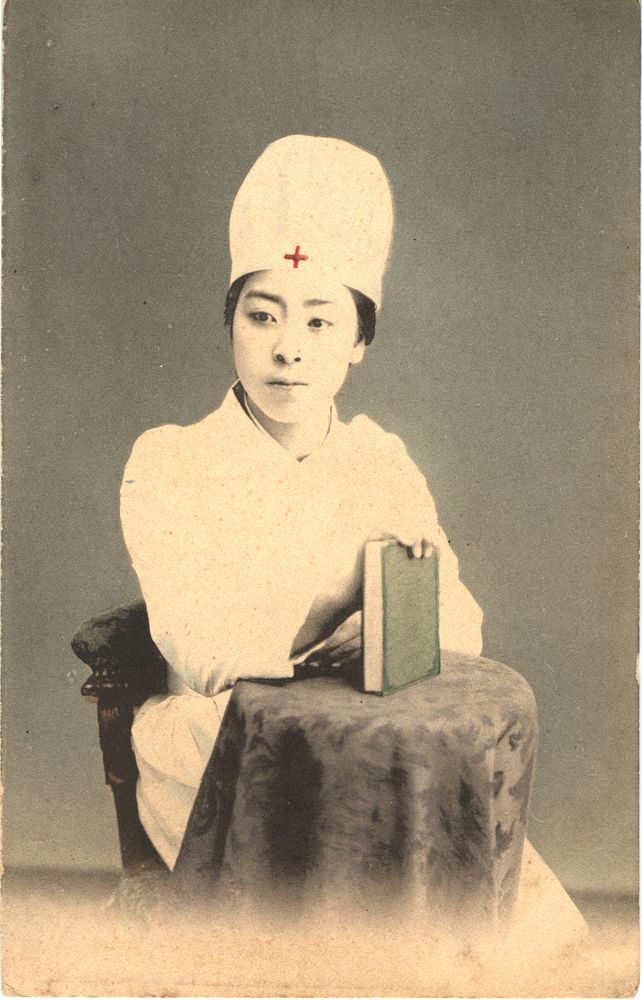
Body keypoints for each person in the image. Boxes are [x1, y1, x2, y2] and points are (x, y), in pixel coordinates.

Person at [119, 136, 587, 950]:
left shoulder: (380, 457)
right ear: (229, 321)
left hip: (374, 746)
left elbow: (460, 626)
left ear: (359, 342)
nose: (288, 348)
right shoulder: (171, 459)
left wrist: (399, 629)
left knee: (498, 932)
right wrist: (330, 607)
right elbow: (196, 646)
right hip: (223, 744)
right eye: (261, 315)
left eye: (320, 320)